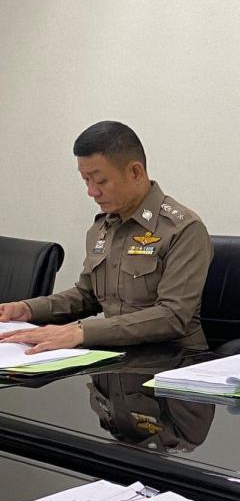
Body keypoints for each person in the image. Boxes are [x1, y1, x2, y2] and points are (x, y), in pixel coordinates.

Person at [0, 121, 212, 352]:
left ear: (135, 172)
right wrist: (27, 309)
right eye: (86, 180)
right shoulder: (102, 227)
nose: (92, 191)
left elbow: (172, 316)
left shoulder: (182, 229)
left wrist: (81, 332)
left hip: (172, 359)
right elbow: (87, 295)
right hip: (113, 355)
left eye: (101, 181)